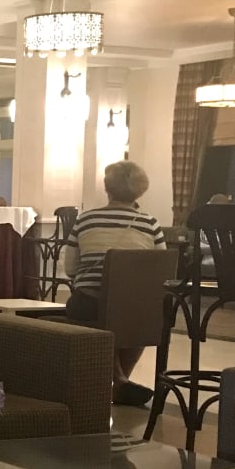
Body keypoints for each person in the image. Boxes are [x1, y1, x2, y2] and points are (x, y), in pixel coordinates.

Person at [63, 161, 166, 408]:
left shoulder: (85, 220)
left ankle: (116, 382)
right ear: (140, 190)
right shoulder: (150, 223)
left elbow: (70, 268)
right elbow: (160, 270)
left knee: (102, 313)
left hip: (89, 303)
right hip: (136, 309)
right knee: (136, 318)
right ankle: (119, 382)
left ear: (107, 187)